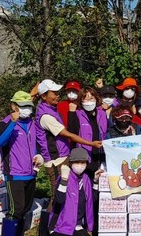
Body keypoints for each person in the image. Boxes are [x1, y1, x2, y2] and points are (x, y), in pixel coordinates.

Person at [35, 79, 102, 207]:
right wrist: (90, 143)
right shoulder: (46, 116)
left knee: (65, 193)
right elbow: (67, 134)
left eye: (57, 93)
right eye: (54, 93)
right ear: (44, 96)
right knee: (58, 195)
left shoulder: (51, 109)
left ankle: (61, 218)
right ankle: (50, 219)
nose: (57, 95)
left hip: (62, 156)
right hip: (55, 160)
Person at [0, 91, 44, 236]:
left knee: (25, 208)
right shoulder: (6, 122)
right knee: (15, 210)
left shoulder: (31, 123)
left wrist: (39, 155)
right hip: (14, 173)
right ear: (13, 106)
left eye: (29, 106)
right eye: (22, 106)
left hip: (30, 173)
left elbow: (34, 144)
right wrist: (12, 122)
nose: (26, 109)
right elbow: (0, 142)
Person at [46, 148, 101, 236]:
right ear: (70, 163)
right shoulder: (64, 177)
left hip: (77, 225)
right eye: (77, 162)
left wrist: (95, 181)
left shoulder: (85, 179)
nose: (80, 165)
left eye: (83, 162)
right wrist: (64, 180)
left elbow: (92, 200)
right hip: (60, 225)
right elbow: (59, 200)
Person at [68, 87, 107, 178]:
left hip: (100, 155)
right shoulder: (77, 114)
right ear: (80, 101)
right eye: (85, 99)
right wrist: (71, 113)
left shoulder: (102, 113)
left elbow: (108, 131)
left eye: (91, 98)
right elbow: (72, 133)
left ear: (96, 99)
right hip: (85, 156)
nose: (89, 102)